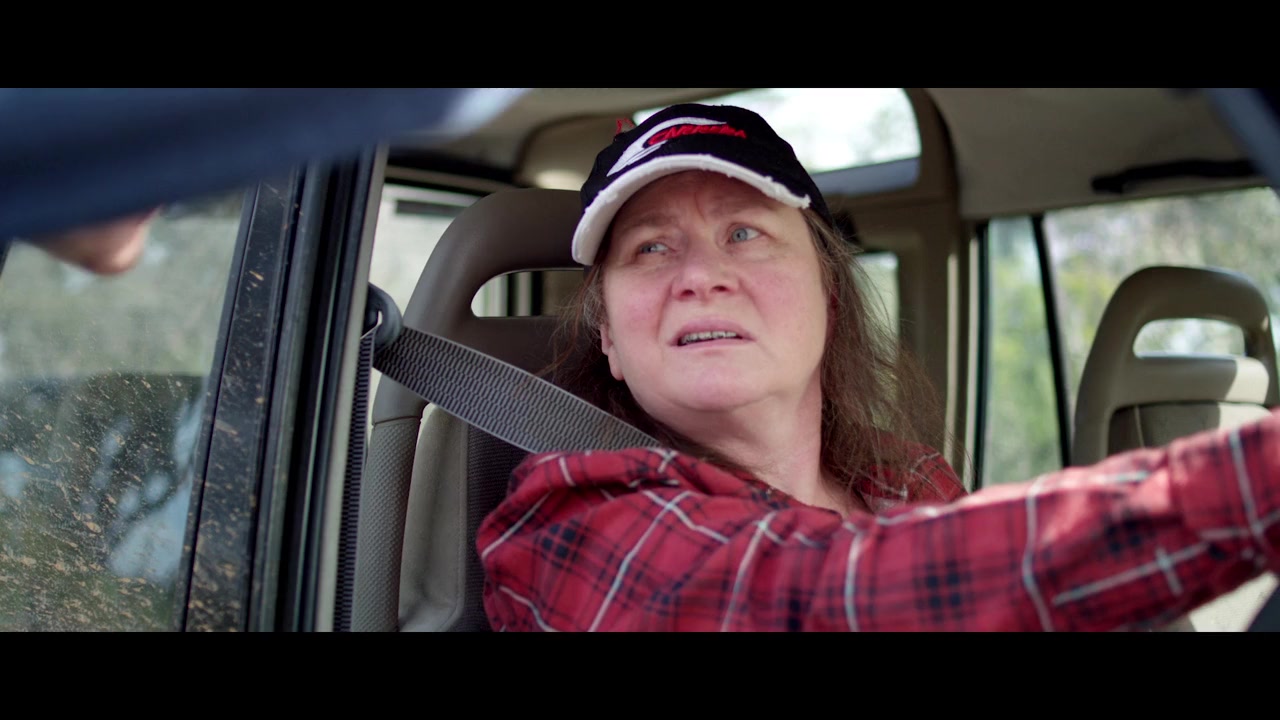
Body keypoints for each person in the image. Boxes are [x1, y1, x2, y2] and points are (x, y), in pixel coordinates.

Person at [476, 102, 1280, 632]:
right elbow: (822, 600)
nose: (700, 275)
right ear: (609, 337)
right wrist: (1244, 485)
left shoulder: (904, 478)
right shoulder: (568, 519)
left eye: (745, 233)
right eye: (651, 248)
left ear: (829, 296)